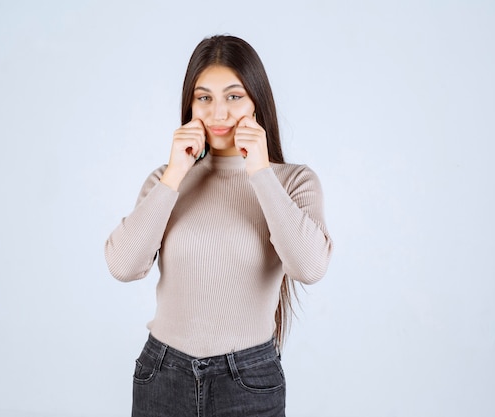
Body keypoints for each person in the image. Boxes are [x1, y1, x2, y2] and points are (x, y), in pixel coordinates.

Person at [104, 35, 333, 417]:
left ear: (257, 101)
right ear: (190, 105)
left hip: (247, 379)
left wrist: (258, 170)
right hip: (162, 375)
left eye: (233, 96)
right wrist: (177, 171)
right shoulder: (166, 180)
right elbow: (123, 266)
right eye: (204, 98)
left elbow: (309, 267)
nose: (218, 113)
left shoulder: (293, 182)